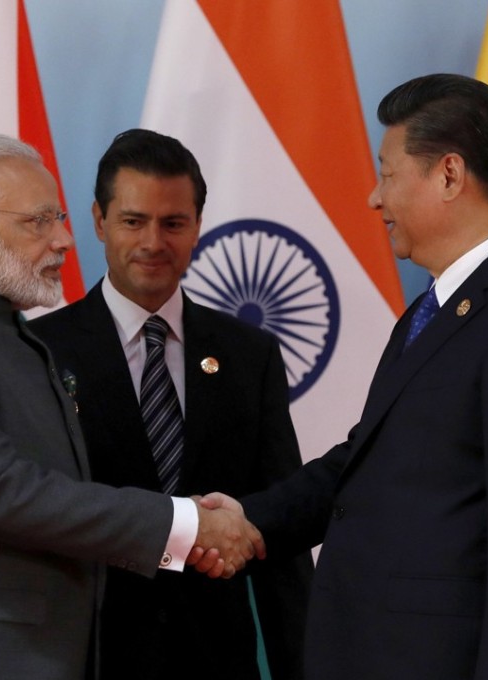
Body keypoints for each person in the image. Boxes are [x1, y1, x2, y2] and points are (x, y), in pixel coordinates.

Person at [199, 74, 488, 680]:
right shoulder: (433, 309)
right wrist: (251, 520)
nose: (373, 197)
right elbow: (368, 461)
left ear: (448, 174)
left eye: (387, 174)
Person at [0, 132, 263, 680]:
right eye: (37, 221)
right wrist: (184, 525)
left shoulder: (1, 331)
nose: (64, 239)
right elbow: (1, 490)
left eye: (58, 218)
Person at [29, 129, 313, 680]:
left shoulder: (249, 354)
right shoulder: (38, 351)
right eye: (134, 221)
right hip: (84, 659)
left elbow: (279, 534)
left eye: (173, 223)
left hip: (216, 662)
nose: (153, 242)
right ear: (98, 221)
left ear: (197, 227)